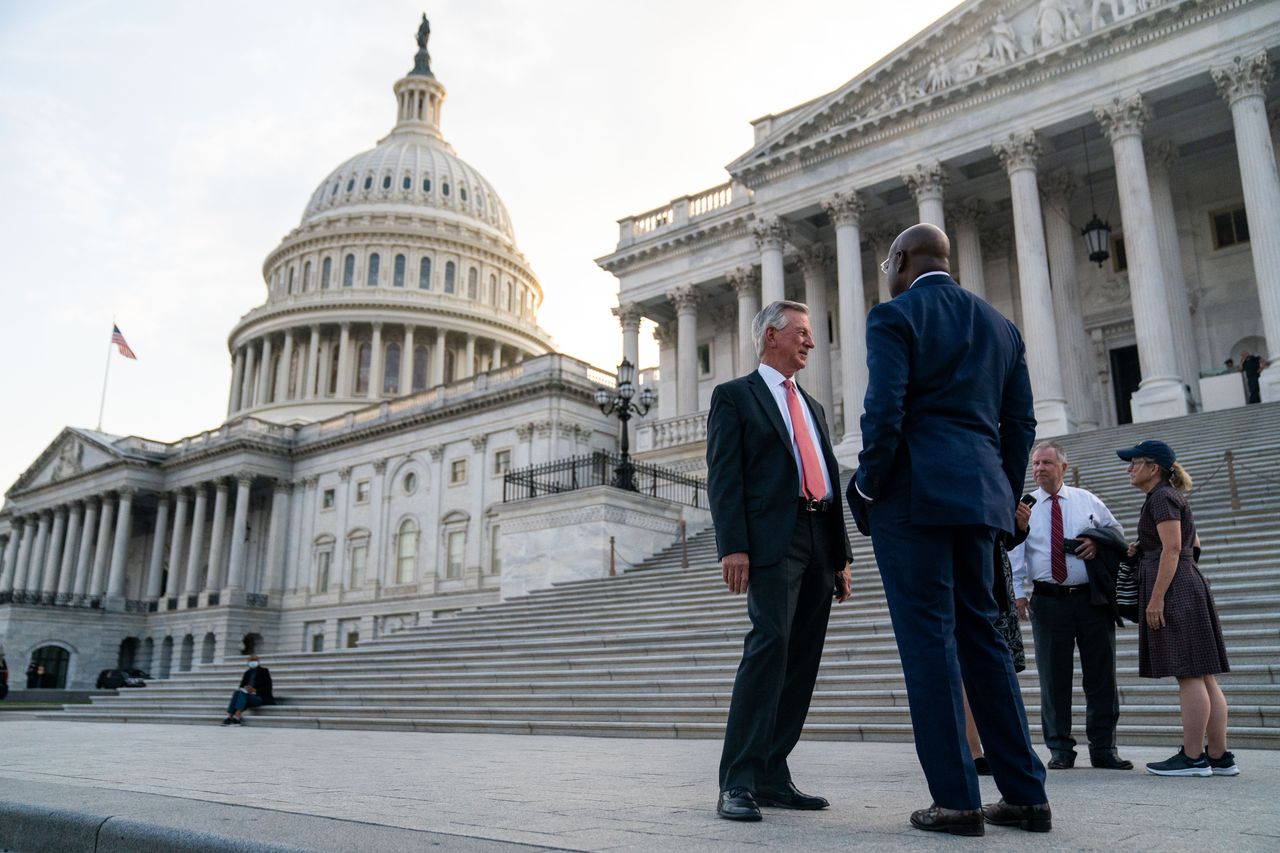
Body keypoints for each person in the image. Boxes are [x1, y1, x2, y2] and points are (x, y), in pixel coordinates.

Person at [848, 223, 1049, 836]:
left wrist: (865, 484)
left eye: (888, 261)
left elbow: (884, 412)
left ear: (903, 260)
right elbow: (1021, 425)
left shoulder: (894, 317)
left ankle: (957, 800)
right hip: (981, 502)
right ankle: (1025, 795)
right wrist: (999, 492)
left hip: (914, 498)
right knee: (983, 640)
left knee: (929, 646)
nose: (887, 270)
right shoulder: (1001, 327)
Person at [706, 299, 854, 822]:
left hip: (817, 534)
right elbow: (724, 477)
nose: (810, 341)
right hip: (772, 538)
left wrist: (840, 555)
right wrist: (733, 544)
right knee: (769, 649)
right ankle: (737, 780)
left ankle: (772, 772)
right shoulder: (734, 397)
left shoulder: (811, 407)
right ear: (771, 335)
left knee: (802, 658)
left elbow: (829, 477)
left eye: (811, 333)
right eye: (802, 332)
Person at [1009, 442, 1131, 771]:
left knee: (1101, 676)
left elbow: (1117, 533)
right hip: (1048, 601)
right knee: (1054, 678)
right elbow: (1014, 551)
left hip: (1092, 599)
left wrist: (1095, 541)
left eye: (1047, 462)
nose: (1039, 469)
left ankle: (1104, 748)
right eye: (1035, 464)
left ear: (1063, 467)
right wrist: (1018, 592)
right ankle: (1060, 749)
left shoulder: (1086, 500)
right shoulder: (1025, 506)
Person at [1118, 440, 1237, 777]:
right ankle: (1218, 756)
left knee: (1189, 674)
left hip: (1175, 590)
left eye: (1134, 462)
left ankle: (1193, 757)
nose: (1129, 468)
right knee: (1204, 674)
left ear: (1153, 467)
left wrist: (1156, 599)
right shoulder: (1168, 496)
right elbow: (1187, 545)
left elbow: (1172, 549)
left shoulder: (1161, 497)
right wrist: (1144, 548)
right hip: (1186, 584)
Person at [221, 654, 275, 725]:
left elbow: (268, 687)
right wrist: (245, 688)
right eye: (251, 661)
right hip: (247, 696)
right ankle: (230, 716)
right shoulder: (247, 673)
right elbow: (241, 686)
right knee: (237, 692)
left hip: (260, 697)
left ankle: (237, 716)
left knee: (242, 694)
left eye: (254, 660)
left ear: (258, 661)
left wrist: (254, 690)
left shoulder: (264, 671)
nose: (252, 662)